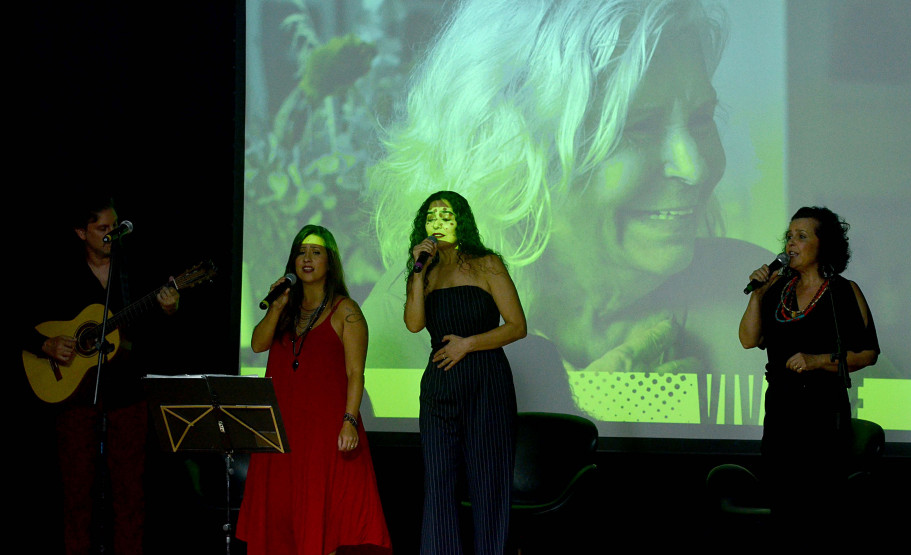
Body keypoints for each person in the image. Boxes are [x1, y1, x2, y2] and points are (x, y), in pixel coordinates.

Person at [363, 0, 772, 429]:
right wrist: (591, 429)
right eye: (638, 127)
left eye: (701, 118)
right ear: (515, 152)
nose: (696, 168)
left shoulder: (750, 294)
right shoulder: (408, 320)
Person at [21, 193, 180, 555]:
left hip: (127, 396)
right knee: (76, 496)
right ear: (81, 232)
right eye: (103, 229)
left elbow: (157, 329)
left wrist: (169, 309)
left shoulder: (133, 269)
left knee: (130, 496)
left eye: (114, 227)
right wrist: (44, 344)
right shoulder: (56, 271)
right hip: (74, 398)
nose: (112, 235)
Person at [236, 225, 391, 555]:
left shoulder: (346, 311)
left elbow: (355, 372)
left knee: (322, 520)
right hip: (281, 431)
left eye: (316, 252)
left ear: (330, 261)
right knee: (278, 519)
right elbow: (257, 343)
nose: (306, 258)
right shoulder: (285, 309)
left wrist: (349, 419)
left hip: (324, 434)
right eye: (300, 252)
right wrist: (276, 306)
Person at [738, 206, 879, 525]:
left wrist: (817, 360)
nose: (791, 244)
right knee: (783, 508)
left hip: (824, 419)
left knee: (819, 511)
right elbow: (748, 339)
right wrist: (758, 294)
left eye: (801, 236)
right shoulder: (776, 291)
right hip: (780, 418)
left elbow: (867, 353)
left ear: (823, 245)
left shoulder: (842, 292)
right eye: (789, 236)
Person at [404, 191, 526, 555]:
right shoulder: (425, 271)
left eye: (447, 214)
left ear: (463, 220)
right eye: (431, 216)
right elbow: (413, 324)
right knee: (439, 483)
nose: (438, 222)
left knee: (488, 482)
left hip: (485, 380)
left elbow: (517, 326)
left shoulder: (487, 264)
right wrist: (417, 270)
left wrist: (468, 344)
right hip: (440, 385)